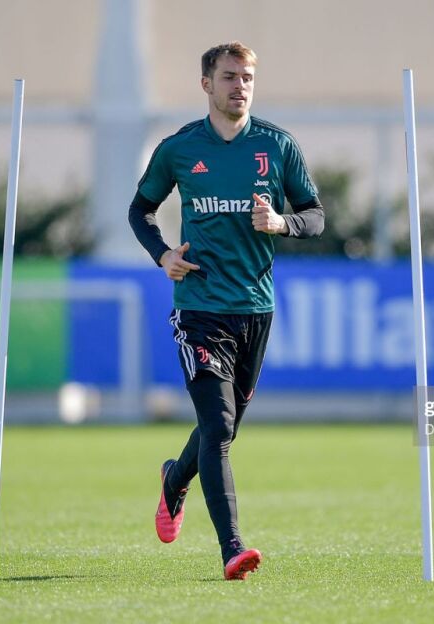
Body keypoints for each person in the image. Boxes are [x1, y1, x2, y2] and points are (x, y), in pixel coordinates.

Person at [128, 41, 325, 581]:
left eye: (247, 78)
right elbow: (140, 210)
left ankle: (174, 480)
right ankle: (231, 549)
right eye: (230, 76)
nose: (240, 86)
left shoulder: (277, 146)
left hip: (255, 310)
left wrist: (282, 223)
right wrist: (163, 254)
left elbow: (315, 216)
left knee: (224, 427)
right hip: (199, 307)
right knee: (217, 426)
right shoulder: (179, 148)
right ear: (206, 84)